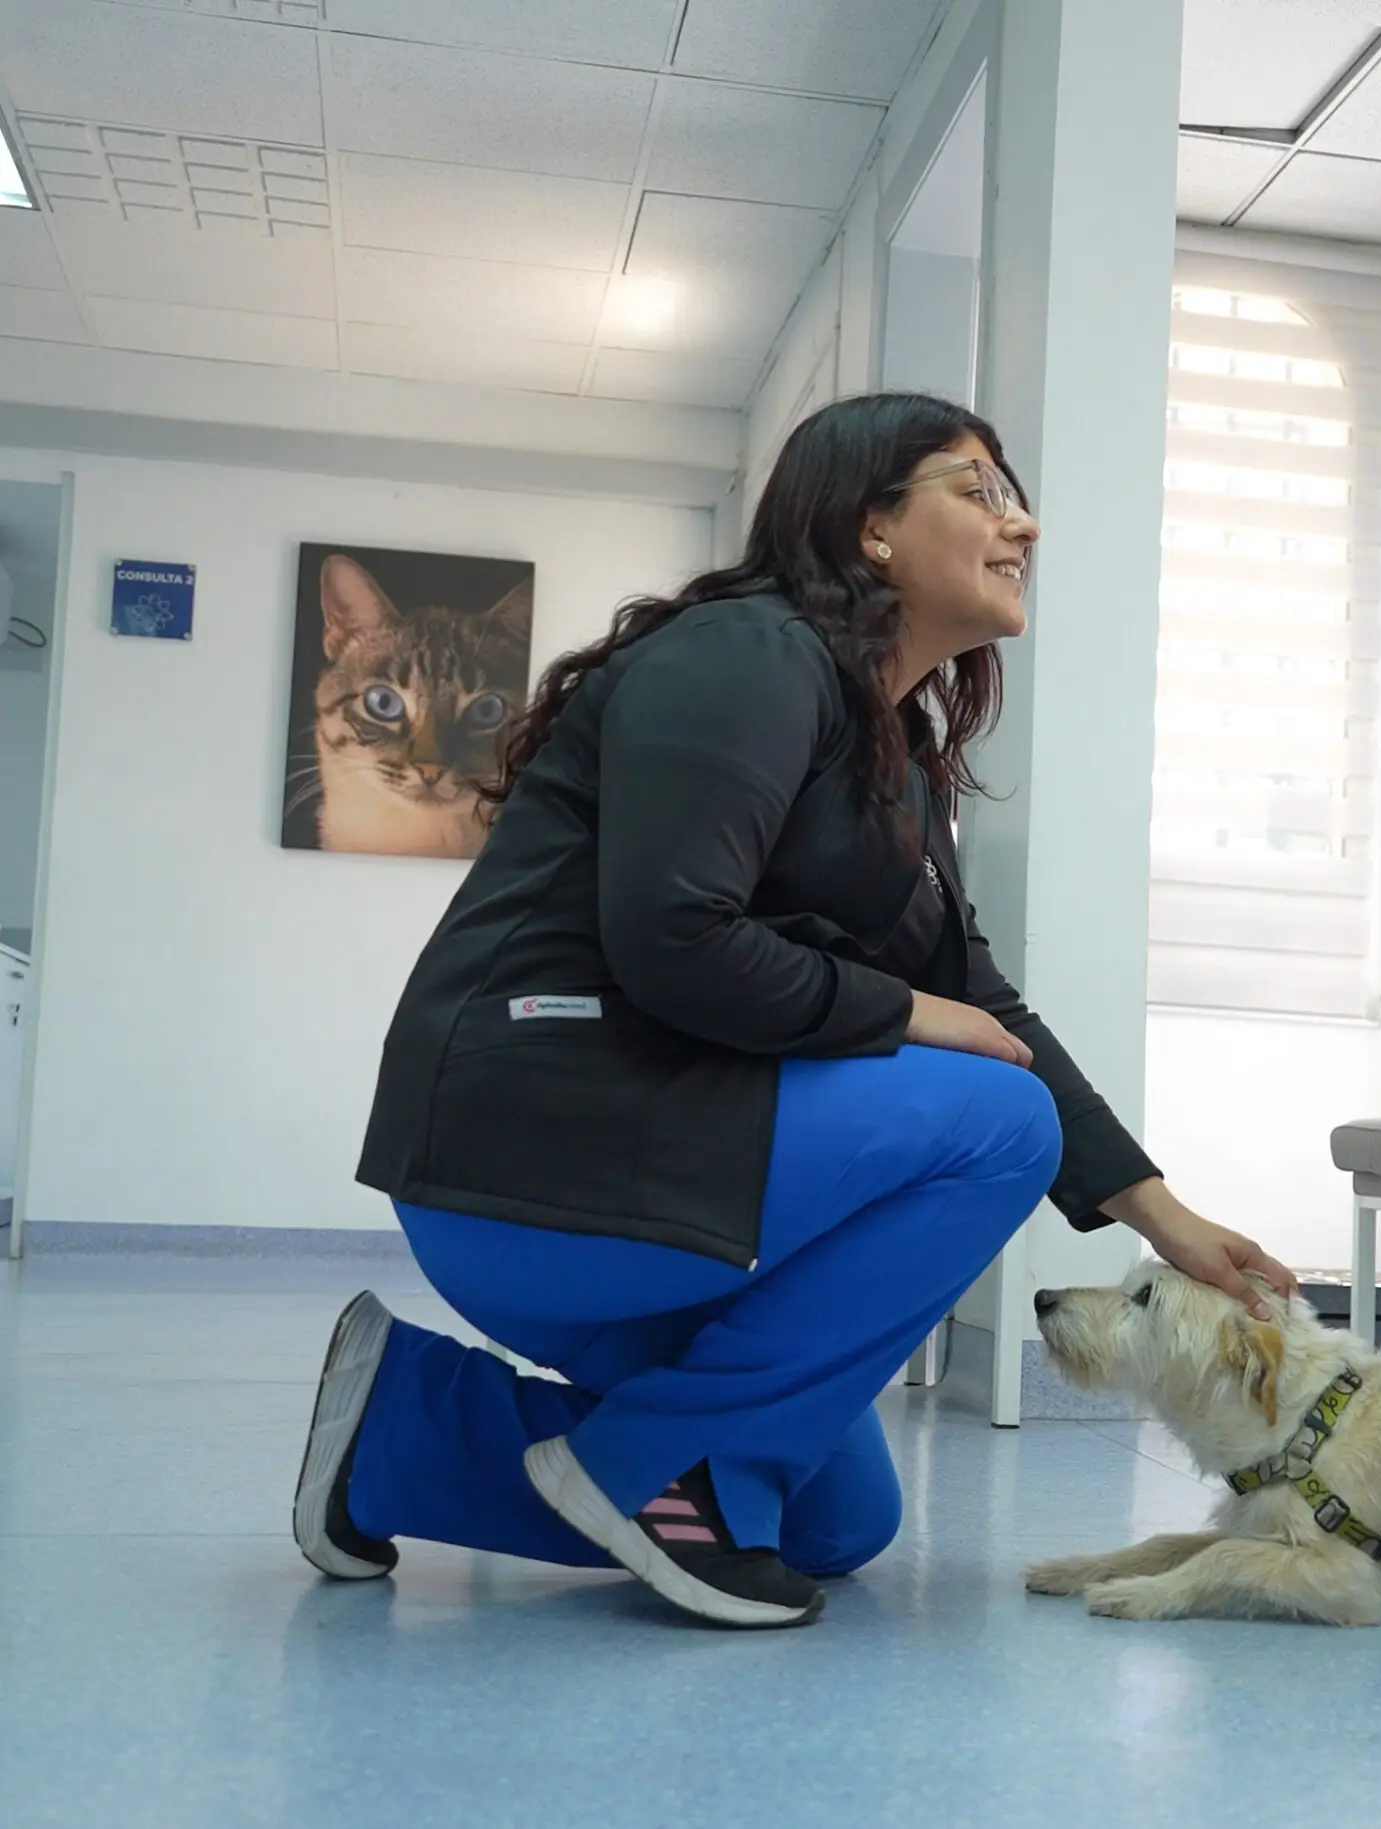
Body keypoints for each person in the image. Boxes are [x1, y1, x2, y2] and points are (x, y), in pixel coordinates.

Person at [294, 393, 1294, 1631]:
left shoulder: (889, 749)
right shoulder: (744, 654)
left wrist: (1163, 1215)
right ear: (872, 526)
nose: (1021, 523)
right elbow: (675, 937)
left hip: (646, 1155)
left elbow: (980, 997)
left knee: (831, 1520)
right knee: (1000, 1121)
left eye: (1015, 496)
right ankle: (665, 1469)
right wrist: (905, 1012)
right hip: (531, 1149)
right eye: (978, 490)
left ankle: (400, 1430)